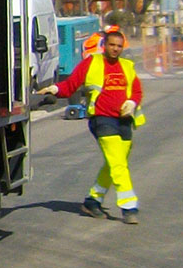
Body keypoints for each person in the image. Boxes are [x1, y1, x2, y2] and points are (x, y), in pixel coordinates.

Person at [44, 22, 145, 223]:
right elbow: (71, 85)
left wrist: (132, 102)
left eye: (119, 46)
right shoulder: (92, 63)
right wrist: (54, 90)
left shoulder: (127, 66)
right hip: (102, 119)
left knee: (114, 164)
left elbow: (137, 91)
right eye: (112, 45)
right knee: (118, 164)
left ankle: (93, 200)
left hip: (124, 120)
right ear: (104, 45)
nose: (115, 49)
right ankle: (129, 207)